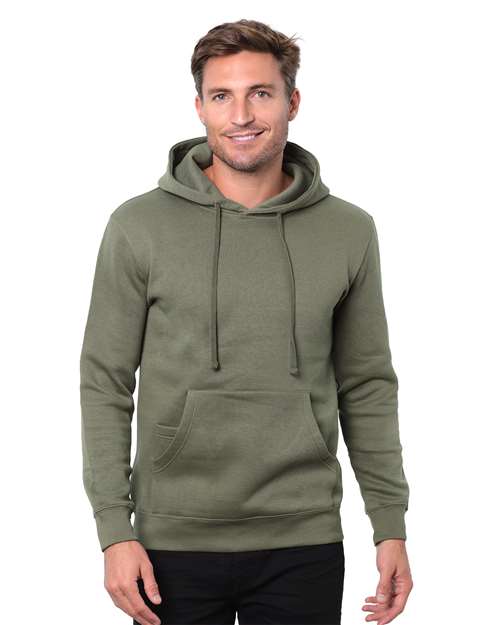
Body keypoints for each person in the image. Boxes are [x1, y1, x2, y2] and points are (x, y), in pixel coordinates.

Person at [80, 18, 413, 625]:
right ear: (199, 108)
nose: (241, 115)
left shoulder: (348, 231)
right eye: (221, 96)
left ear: (292, 101)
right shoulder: (138, 227)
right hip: (170, 540)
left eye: (260, 93)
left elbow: (366, 383)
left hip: (303, 537)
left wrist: (389, 525)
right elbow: (105, 381)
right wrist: (113, 530)